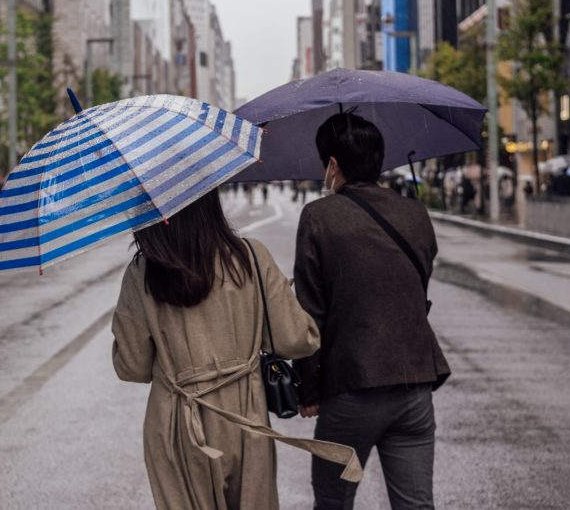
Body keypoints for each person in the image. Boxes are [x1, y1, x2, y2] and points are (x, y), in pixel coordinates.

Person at [112, 190, 358, 509]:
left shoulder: (143, 273)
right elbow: (295, 340)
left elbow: (132, 367)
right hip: (245, 413)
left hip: (176, 424)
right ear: (209, 202)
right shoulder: (250, 257)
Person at [295, 112, 450, 510]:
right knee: (416, 505)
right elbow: (415, 289)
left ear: (332, 165)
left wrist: (308, 389)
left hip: (351, 389)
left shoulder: (318, 216)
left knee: (334, 502)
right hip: (415, 385)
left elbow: (310, 315)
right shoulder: (416, 213)